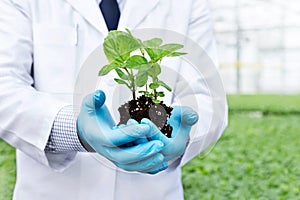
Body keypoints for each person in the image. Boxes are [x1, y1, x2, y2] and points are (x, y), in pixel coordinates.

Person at [0, 0, 227, 199]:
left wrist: (182, 134)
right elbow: (4, 87)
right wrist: (75, 130)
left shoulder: (188, 3)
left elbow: (208, 95)